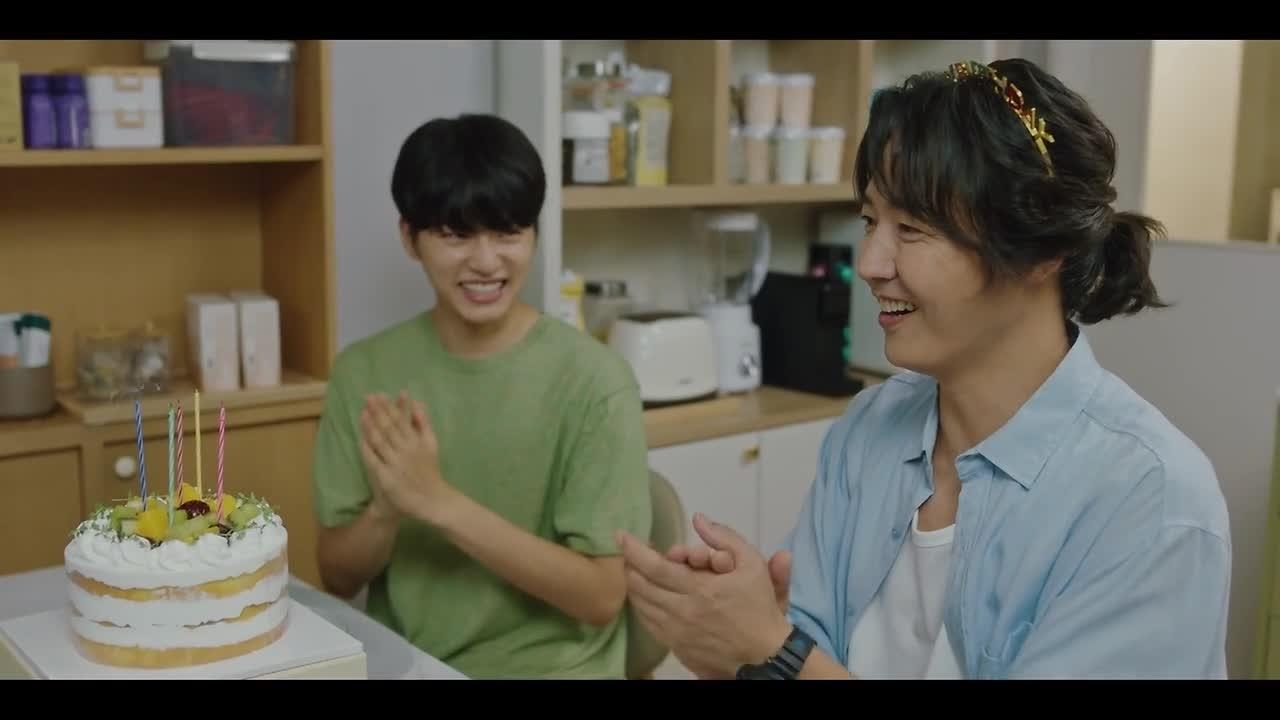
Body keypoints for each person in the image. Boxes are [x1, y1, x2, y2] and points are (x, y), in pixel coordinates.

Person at [617, 58, 1232, 680]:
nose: (870, 262)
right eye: (870, 221)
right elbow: (796, 643)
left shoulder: (1149, 500)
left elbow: (787, 657)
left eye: (911, 228)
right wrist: (737, 642)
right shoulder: (872, 427)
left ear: (1043, 252)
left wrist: (774, 654)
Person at [312, 113, 653, 679]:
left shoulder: (596, 381)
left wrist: (438, 502)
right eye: (456, 235)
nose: (487, 261)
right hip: (408, 667)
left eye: (508, 233)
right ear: (409, 238)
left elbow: (601, 596)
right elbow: (338, 577)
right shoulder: (364, 372)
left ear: (534, 234)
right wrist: (386, 510)